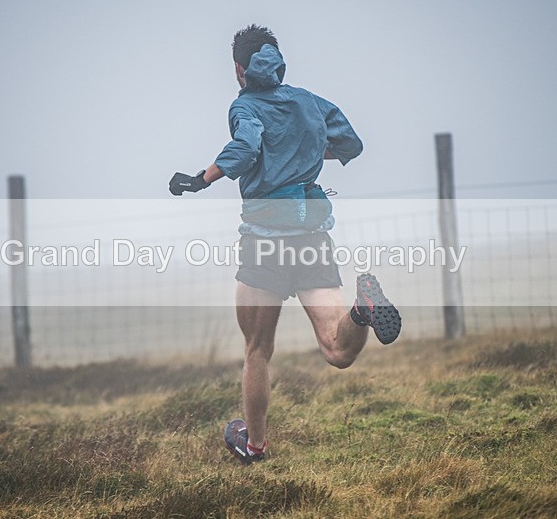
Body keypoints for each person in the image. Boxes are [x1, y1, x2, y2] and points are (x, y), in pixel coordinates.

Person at [169, 24, 401, 465]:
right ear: (278, 62)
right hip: (312, 235)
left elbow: (245, 147)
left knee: (257, 350)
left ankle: (254, 446)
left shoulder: (244, 106)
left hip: (265, 243)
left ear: (239, 68)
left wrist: (202, 179)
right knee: (337, 349)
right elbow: (351, 142)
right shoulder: (309, 101)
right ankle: (363, 309)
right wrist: (304, 153)